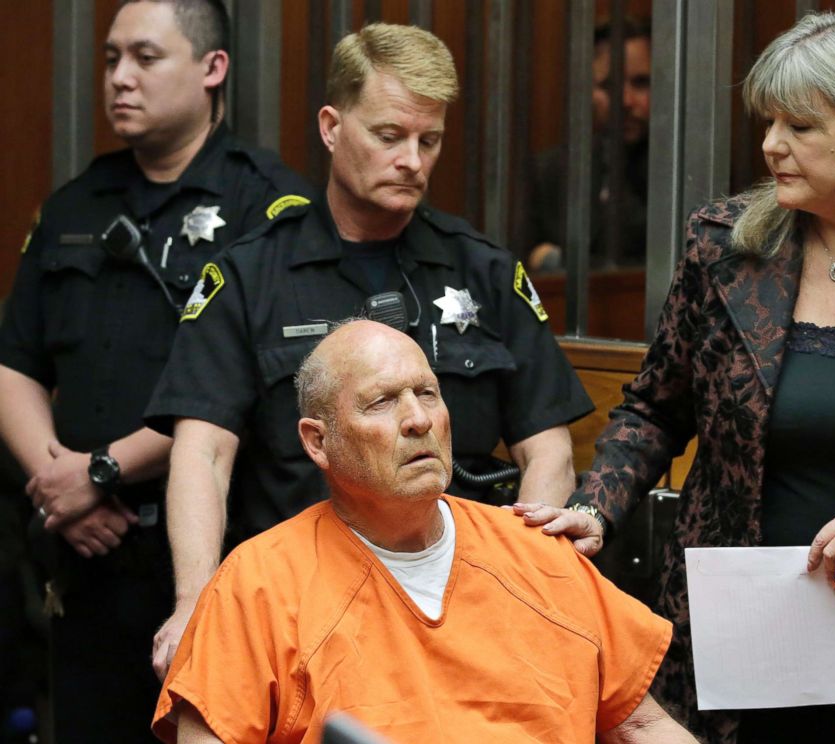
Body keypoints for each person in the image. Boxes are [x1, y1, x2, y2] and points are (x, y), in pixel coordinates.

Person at [514, 11, 835, 743]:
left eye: (800, 126)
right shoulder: (726, 248)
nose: (771, 146)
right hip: (740, 640)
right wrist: (596, 507)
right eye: (768, 122)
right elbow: (652, 409)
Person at [146, 22, 593, 680]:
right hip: (297, 606)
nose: (412, 159)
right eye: (389, 136)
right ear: (331, 127)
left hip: (457, 603)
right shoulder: (250, 276)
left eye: (429, 140)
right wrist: (195, 601)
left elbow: (547, 449)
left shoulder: (483, 271)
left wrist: (516, 579)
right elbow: (203, 451)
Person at [150, 318, 695, 744]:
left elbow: (642, 727)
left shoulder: (538, 554)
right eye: (382, 402)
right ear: (318, 442)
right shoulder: (258, 584)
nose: (418, 420)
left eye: (428, 394)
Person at [0, 1, 311, 741]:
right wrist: (61, 486)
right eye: (110, 59)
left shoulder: (265, 205)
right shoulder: (76, 203)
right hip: (78, 549)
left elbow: (251, 388)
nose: (119, 78)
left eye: (145, 57)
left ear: (213, 70)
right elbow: (14, 363)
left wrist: (99, 472)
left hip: (207, 559)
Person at [525, 17, 650, 272]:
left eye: (640, 83)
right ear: (587, 91)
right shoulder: (552, 172)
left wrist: (556, 259)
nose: (625, 101)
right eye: (609, 85)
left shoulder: (687, 170)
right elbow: (521, 262)